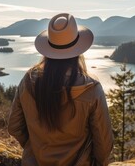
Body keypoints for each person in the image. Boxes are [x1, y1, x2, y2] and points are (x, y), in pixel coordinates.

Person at [8, 13, 113, 166]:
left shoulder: (29, 81)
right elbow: (103, 144)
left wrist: (36, 148)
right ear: (78, 50)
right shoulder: (91, 89)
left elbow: (14, 126)